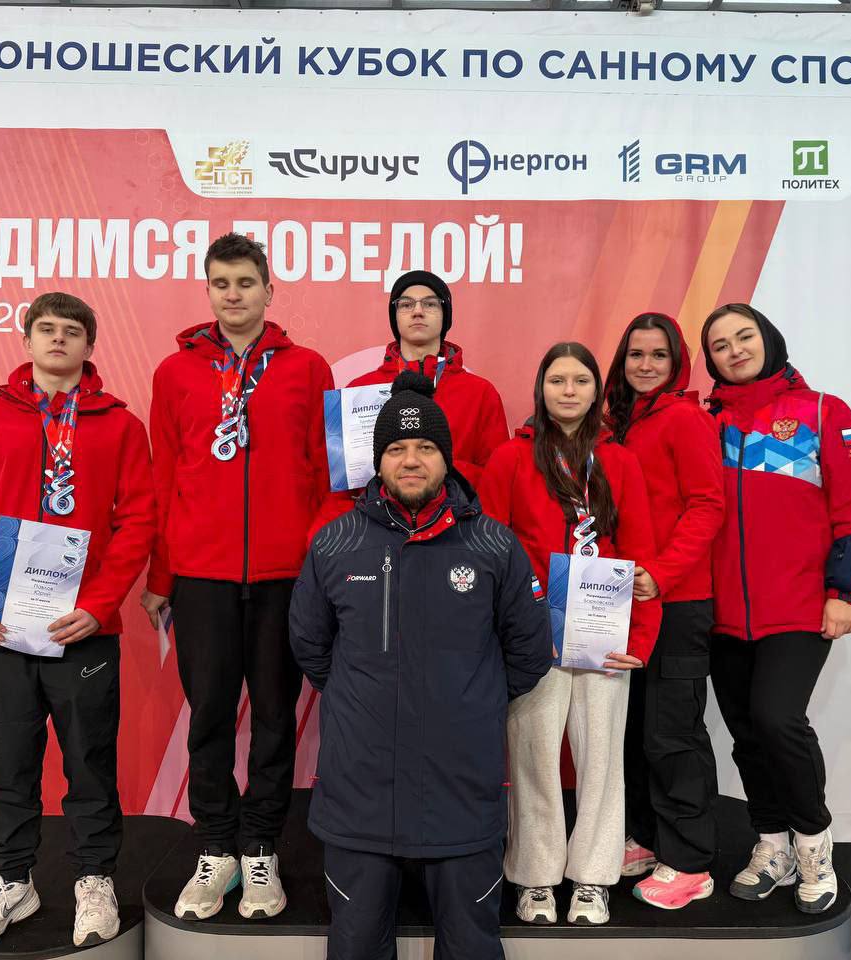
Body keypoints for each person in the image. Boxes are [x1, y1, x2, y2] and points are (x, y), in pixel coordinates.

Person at [290, 371, 551, 960]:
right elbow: (311, 645)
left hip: (461, 795)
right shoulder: (334, 543)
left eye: (426, 447)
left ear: (447, 458)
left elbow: (530, 651)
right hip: (360, 797)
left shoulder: (494, 545)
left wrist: (473, 698)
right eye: (397, 448)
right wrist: (364, 698)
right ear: (378, 460)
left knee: (471, 948)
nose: (411, 460)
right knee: (356, 948)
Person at [0, 292, 155, 951]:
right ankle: (11, 880)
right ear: (27, 341)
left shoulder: (121, 427)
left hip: (82, 629)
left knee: (90, 762)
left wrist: (101, 603)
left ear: (89, 346)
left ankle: (94, 877)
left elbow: (137, 520)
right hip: (0, 628)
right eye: (47, 329)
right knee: (9, 762)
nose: (59, 339)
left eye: (72, 331)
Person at [141, 233, 334, 921]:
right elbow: (164, 478)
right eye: (221, 283)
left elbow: (326, 474)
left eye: (246, 282)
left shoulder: (307, 367)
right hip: (201, 576)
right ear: (208, 290)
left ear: (269, 290)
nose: (233, 295)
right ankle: (216, 845)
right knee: (211, 716)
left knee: (276, 717)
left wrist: (317, 565)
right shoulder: (174, 373)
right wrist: (162, 573)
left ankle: (260, 848)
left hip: (286, 575)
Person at [700, 303, 851, 914]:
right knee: (746, 733)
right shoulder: (706, 423)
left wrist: (846, 591)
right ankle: (771, 843)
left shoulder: (821, 412)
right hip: (722, 612)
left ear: (769, 339)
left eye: (745, 337)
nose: (735, 350)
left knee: (777, 719)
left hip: (799, 607)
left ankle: (813, 844)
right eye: (720, 345)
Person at [478, 342, 661, 926]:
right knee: (533, 757)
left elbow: (640, 555)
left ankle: (593, 879)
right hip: (534, 633)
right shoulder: (511, 458)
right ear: (541, 387)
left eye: (580, 380)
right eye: (557, 380)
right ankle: (535, 879)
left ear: (596, 390)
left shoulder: (620, 461)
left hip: (605, 632)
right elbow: (491, 551)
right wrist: (510, 627)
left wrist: (641, 641)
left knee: (602, 760)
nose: (568, 391)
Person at [603, 312, 724, 910]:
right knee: (634, 731)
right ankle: (649, 839)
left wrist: (664, 572)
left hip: (678, 601)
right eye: (636, 354)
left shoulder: (685, 419)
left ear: (677, 362)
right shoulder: (618, 426)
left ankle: (692, 862)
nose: (646, 365)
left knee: (672, 733)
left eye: (658, 355)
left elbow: (707, 505)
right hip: (627, 600)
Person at [349, 271, 509, 487]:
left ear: (445, 316)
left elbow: (497, 479)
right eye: (406, 304)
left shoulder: (480, 393)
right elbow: (345, 488)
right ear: (395, 316)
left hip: (459, 508)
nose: (417, 311)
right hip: (377, 508)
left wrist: (441, 470)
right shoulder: (358, 390)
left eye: (430, 304)